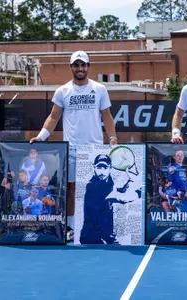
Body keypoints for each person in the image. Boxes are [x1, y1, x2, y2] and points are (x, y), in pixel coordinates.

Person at [29, 50, 118, 242]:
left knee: (95, 189)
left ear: (88, 67)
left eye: (83, 65)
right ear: (71, 67)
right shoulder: (62, 91)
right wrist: (41, 136)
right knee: (71, 188)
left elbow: (107, 116)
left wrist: (112, 138)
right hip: (72, 148)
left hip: (94, 149)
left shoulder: (99, 89)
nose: (80, 68)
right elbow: (54, 117)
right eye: (76, 65)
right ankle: (70, 227)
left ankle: (98, 226)